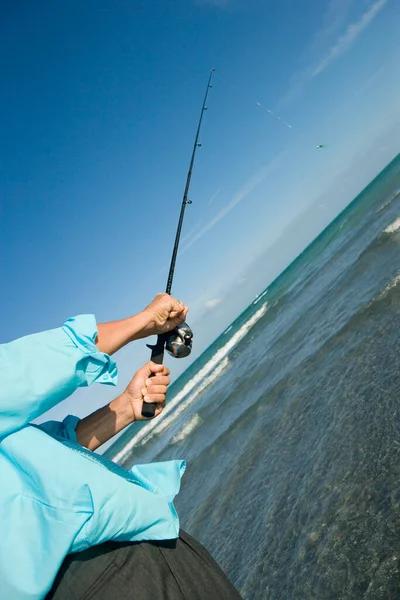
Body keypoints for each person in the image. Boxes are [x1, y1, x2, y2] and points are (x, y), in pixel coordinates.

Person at [0, 294, 241, 600]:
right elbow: (26, 369)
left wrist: (127, 406)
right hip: (116, 569)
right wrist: (146, 321)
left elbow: (32, 462)